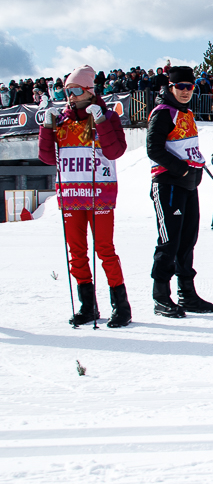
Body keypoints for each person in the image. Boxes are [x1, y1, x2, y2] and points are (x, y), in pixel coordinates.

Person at [37, 66, 132, 328]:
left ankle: (121, 306)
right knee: (76, 252)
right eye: (66, 91)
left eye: (76, 90)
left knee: (104, 249)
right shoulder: (62, 121)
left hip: (99, 195)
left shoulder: (108, 117)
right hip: (71, 196)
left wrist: (101, 121)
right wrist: (47, 127)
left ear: (90, 91)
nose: (71, 96)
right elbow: (47, 157)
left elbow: (115, 152)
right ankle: (87, 305)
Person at [147, 66, 213, 317]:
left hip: (188, 185)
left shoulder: (185, 113)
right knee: (169, 241)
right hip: (168, 184)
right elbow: (154, 149)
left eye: (190, 87)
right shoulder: (163, 112)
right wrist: (183, 170)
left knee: (188, 241)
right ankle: (161, 297)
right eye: (181, 87)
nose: (186, 91)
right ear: (171, 87)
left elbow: (185, 147)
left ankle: (187, 294)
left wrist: (196, 165)